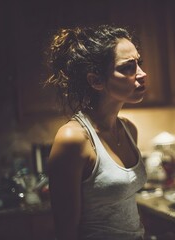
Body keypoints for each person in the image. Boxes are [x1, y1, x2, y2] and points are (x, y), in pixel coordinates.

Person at [44, 24, 148, 240]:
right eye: (128, 67)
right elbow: (65, 231)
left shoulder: (128, 129)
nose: (142, 73)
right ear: (96, 81)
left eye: (139, 63)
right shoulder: (73, 139)